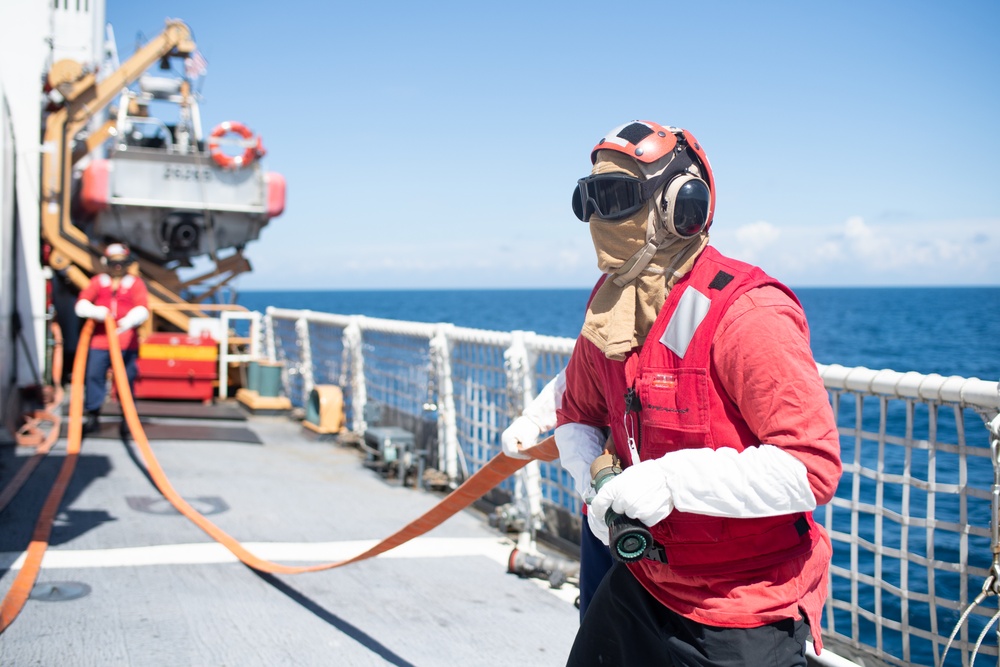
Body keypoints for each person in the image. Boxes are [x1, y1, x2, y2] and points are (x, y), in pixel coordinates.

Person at [554, 120, 842, 666]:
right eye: (587, 201)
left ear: (681, 204)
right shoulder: (614, 305)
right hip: (645, 580)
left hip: (740, 605)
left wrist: (670, 482)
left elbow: (811, 468)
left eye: (614, 199)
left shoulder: (748, 314)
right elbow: (577, 413)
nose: (597, 218)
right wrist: (595, 483)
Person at [501, 369, 614, 620]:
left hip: (671, 519)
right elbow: (583, 367)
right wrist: (533, 420)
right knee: (597, 623)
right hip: (601, 508)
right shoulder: (599, 333)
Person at [75, 243, 149, 436]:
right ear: (107, 263)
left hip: (126, 343)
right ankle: (93, 415)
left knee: (126, 380)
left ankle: (127, 418)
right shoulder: (99, 282)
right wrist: (95, 311)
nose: (117, 267)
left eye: (121, 263)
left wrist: (130, 320)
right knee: (94, 376)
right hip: (100, 341)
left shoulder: (135, 283)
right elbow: (81, 303)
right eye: (114, 263)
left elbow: (142, 307)